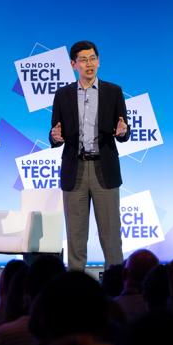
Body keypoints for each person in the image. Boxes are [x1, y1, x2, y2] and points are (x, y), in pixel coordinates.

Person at [49, 40, 131, 271]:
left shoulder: (113, 92)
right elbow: (55, 133)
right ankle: (77, 290)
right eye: (83, 60)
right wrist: (55, 137)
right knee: (76, 237)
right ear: (74, 64)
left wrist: (123, 132)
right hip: (74, 170)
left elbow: (123, 130)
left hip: (104, 169)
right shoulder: (63, 94)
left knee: (111, 237)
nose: (89, 64)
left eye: (93, 58)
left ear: (99, 61)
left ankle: (115, 288)